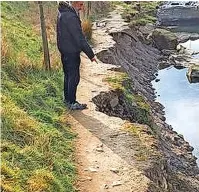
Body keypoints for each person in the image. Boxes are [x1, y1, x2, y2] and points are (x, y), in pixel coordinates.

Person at [57, 1, 97, 110]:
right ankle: (72, 103)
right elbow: (79, 38)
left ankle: (67, 100)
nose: (82, 7)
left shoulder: (62, 12)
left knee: (68, 75)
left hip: (65, 50)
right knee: (74, 77)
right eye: (80, 4)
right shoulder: (70, 16)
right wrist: (91, 54)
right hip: (71, 51)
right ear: (74, 3)